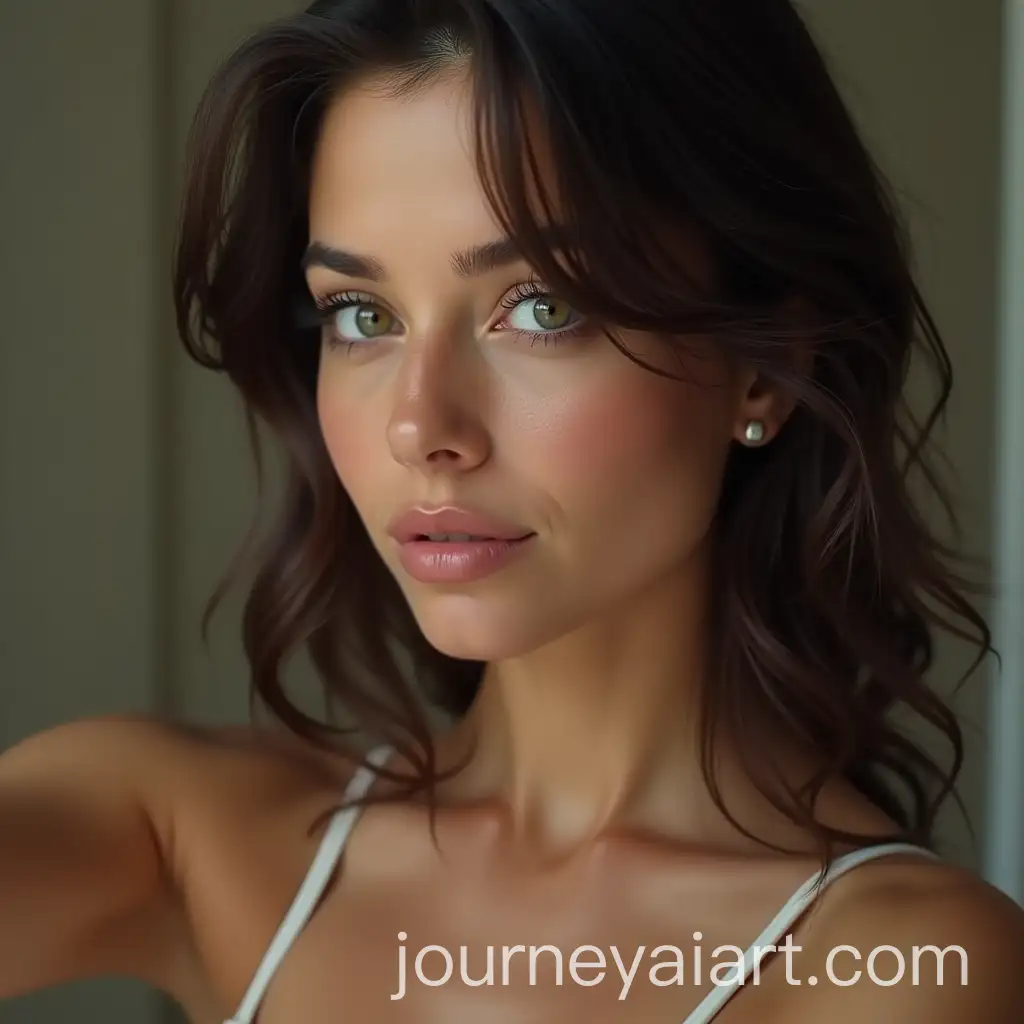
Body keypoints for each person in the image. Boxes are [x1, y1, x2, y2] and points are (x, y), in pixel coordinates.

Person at [2, 0, 1023, 1020]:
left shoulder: (899, 965)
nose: (420, 426)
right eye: (364, 317)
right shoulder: (180, 832)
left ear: (767, 368)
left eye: (541, 306)